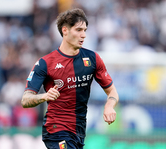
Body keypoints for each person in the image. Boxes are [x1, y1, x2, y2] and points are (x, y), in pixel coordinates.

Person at [21, 8, 119, 149]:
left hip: (79, 131)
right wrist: (44, 96)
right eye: (78, 30)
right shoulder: (45, 63)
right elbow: (25, 99)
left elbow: (113, 92)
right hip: (56, 129)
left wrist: (109, 106)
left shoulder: (93, 59)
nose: (83, 35)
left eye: (85, 30)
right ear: (65, 30)